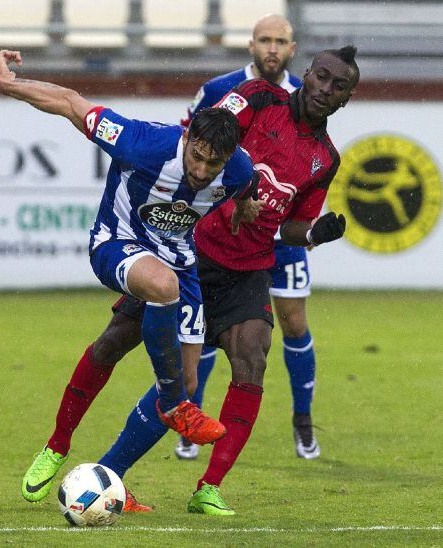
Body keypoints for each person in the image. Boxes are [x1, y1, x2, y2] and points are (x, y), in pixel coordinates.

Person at [94, 46, 359, 516]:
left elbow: (291, 226)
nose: (324, 89)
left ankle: (208, 487)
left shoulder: (325, 159)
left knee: (252, 358)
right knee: (116, 343)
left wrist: (316, 233)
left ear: (346, 99)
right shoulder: (257, 98)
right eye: (320, 77)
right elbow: (206, 138)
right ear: (308, 74)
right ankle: (65, 450)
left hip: (249, 268)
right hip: (188, 252)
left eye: (338, 87)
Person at [0, 50, 262, 509]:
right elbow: (71, 102)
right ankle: (59, 445)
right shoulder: (143, 142)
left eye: (211, 165)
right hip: (114, 245)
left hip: (180, 265)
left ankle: (109, 478)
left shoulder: (236, 169)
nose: (200, 171)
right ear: (187, 134)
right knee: (153, 313)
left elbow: (244, 188)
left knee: (190, 378)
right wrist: (11, 85)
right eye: (196, 157)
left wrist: (242, 207)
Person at [176, 14, 321, 462]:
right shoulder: (218, 90)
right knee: (207, 322)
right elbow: (190, 147)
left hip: (278, 233)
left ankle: (302, 419)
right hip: (224, 233)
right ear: (251, 45)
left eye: (281, 41)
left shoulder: (307, 97)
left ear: (293, 50)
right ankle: (191, 417)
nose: (272, 48)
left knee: (293, 321)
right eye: (265, 40)